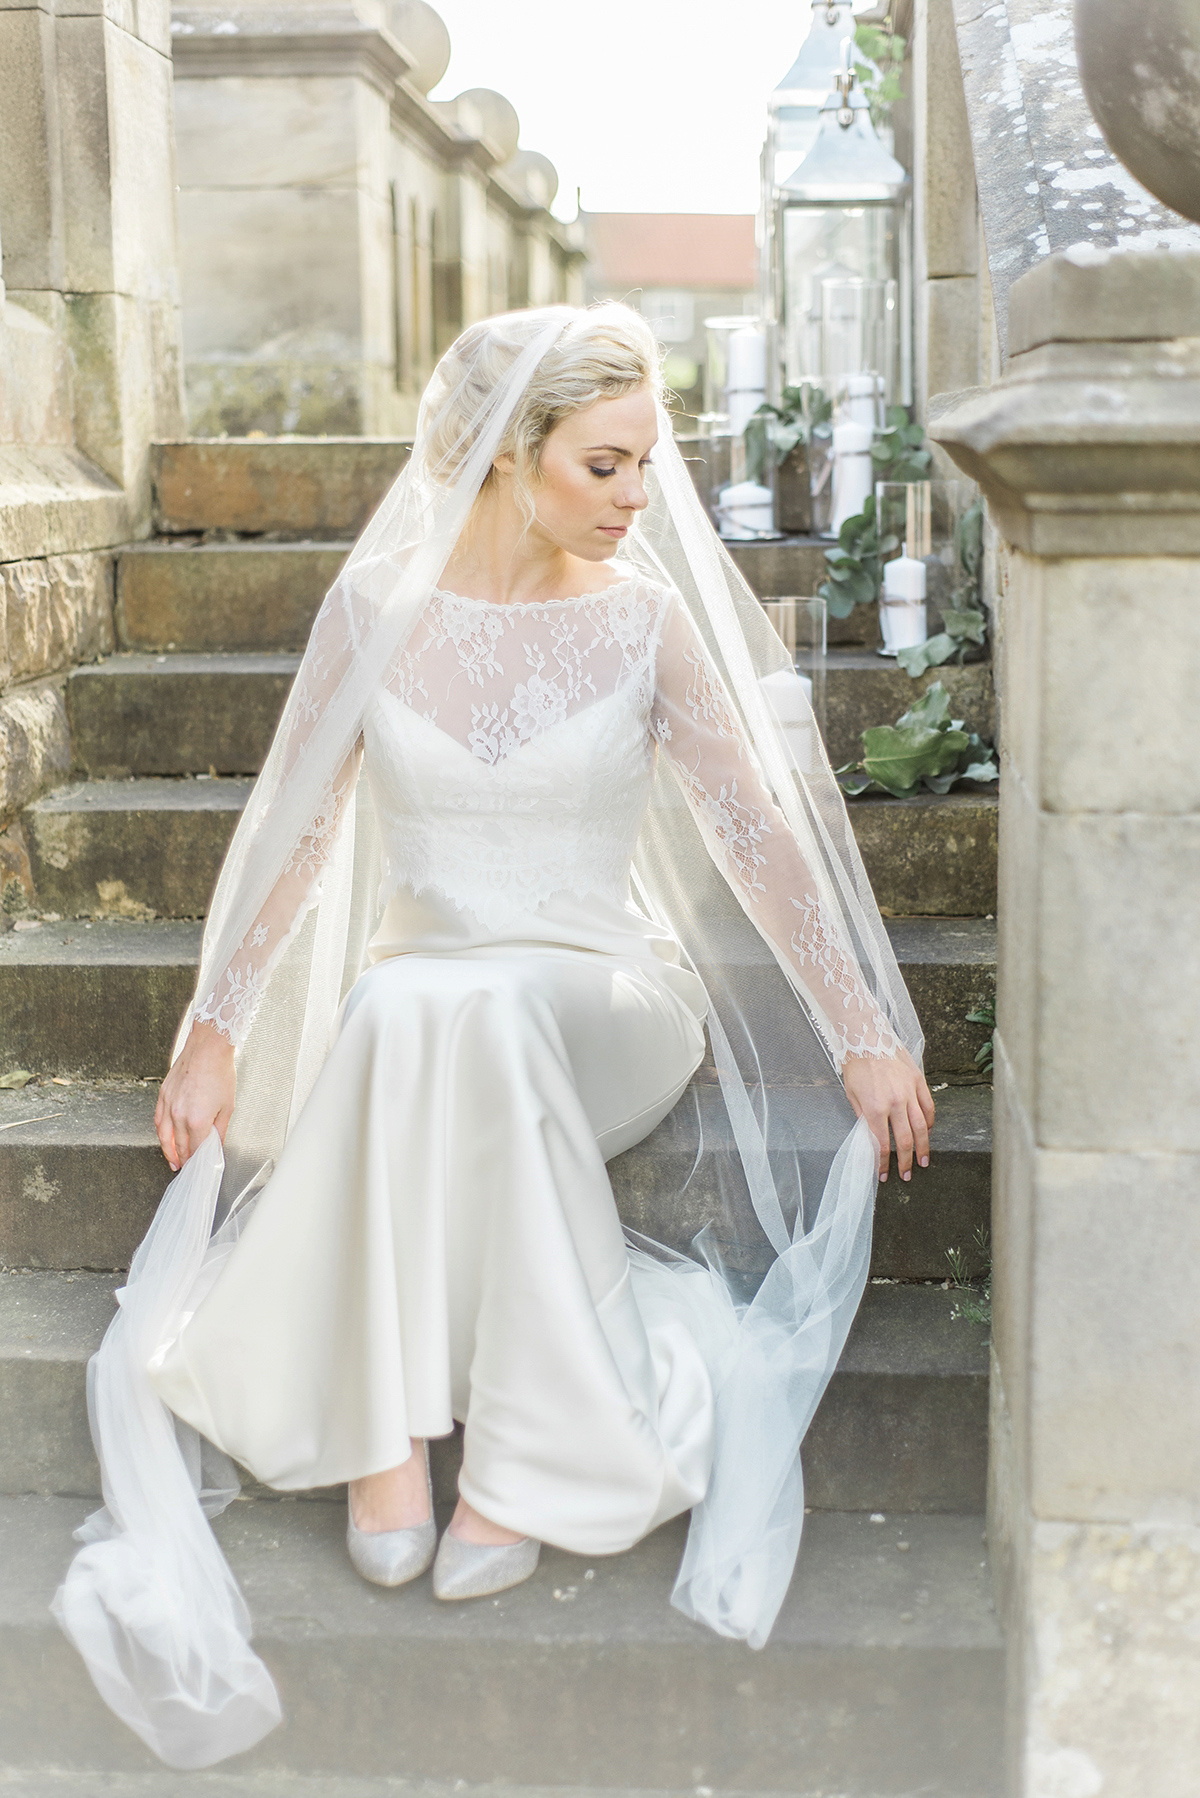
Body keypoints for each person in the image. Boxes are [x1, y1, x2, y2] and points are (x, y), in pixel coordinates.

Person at [54, 304, 933, 1770]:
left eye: (645, 466)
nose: (635, 498)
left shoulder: (641, 617)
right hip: (428, 1001)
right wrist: (215, 1026)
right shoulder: (376, 611)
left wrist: (862, 1023)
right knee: (414, 992)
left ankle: (518, 1470)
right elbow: (298, 830)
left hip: (602, 993)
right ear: (509, 458)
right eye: (605, 465)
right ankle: (390, 1447)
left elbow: (754, 833)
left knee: (473, 1003)